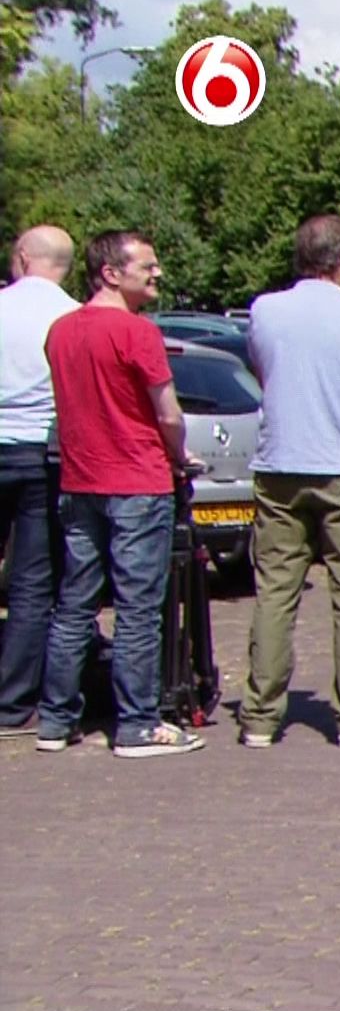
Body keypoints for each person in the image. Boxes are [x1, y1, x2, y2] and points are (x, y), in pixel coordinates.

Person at [36, 230, 203, 757]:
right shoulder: (137, 332)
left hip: (79, 480)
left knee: (74, 604)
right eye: (146, 266)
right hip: (136, 480)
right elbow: (168, 413)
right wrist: (180, 455)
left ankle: (56, 720)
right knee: (138, 609)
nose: (157, 274)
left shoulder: (61, 331)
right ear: (111, 273)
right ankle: (137, 723)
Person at [241, 214, 340, 750]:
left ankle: (259, 716)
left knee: (274, 593)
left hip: (279, 465)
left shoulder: (265, 310)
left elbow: (264, 371)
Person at [0, 226, 79, 736]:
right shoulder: (72, 317)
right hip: (41, 451)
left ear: (24, 257)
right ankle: (12, 704)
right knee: (32, 582)